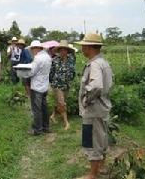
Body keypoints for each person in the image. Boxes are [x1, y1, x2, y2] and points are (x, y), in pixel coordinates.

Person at [75, 33, 113, 179]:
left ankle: (93, 174)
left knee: (92, 140)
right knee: (101, 137)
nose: (82, 48)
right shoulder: (103, 62)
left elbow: (96, 85)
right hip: (102, 107)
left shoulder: (95, 64)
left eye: (83, 45)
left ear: (90, 47)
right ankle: (101, 166)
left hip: (94, 109)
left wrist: (86, 100)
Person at [23, 40, 52, 135]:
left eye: (32, 49)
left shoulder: (37, 58)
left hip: (36, 87)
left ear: (36, 48)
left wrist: (23, 72)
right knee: (44, 107)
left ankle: (37, 129)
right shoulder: (48, 57)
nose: (31, 51)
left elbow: (32, 72)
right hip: (44, 86)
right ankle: (46, 127)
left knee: (36, 109)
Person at [49, 40, 75, 130]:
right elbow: (51, 73)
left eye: (65, 50)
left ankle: (52, 116)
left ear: (67, 51)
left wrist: (71, 80)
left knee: (59, 103)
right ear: (59, 51)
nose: (63, 51)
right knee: (62, 103)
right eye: (61, 50)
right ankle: (66, 122)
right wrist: (52, 83)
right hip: (57, 85)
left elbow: (72, 72)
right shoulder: (55, 60)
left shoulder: (71, 60)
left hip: (66, 85)